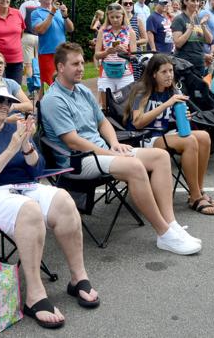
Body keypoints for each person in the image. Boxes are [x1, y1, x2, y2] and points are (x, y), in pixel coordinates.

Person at [0, 80, 98, 329]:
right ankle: (34, 294)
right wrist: (10, 149)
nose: (6, 104)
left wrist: (27, 144)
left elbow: (37, 170)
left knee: (62, 199)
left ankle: (78, 277)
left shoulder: (12, 130)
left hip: (22, 188)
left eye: (8, 100)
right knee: (28, 210)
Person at [41, 42, 202, 255]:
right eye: (75, 64)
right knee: (134, 166)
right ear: (61, 67)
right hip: (77, 160)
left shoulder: (82, 91)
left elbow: (103, 122)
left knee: (161, 157)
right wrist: (109, 152)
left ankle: (171, 223)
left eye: (82, 62)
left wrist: (114, 143)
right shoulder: (53, 99)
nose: (81, 68)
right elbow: (72, 141)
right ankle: (164, 233)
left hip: (102, 152)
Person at [126, 54, 214, 215]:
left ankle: (198, 190)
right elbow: (137, 122)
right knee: (189, 141)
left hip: (164, 133)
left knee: (204, 137)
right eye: (164, 72)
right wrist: (167, 104)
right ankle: (195, 197)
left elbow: (169, 119)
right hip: (144, 137)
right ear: (154, 74)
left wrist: (182, 116)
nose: (169, 75)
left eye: (171, 71)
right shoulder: (142, 91)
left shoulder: (171, 90)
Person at [31, 0, 73, 86]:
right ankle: (43, 102)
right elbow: (41, 30)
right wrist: (52, 12)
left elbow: (71, 29)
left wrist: (65, 16)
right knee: (48, 84)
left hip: (62, 53)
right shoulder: (36, 13)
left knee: (64, 83)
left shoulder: (59, 11)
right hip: (47, 54)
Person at [94, 3, 136, 105]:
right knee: (106, 105)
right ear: (108, 17)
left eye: (118, 17)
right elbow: (97, 55)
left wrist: (124, 52)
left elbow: (134, 56)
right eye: (112, 17)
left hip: (125, 74)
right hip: (106, 73)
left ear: (123, 16)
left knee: (125, 105)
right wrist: (107, 52)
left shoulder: (130, 32)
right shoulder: (102, 31)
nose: (115, 20)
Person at [0, 51, 33, 121]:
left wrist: (13, 106)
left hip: (11, 117)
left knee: (30, 125)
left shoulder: (10, 83)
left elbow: (29, 105)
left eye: (1, 63)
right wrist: (7, 120)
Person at [19, 0, 40, 78]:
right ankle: (41, 85)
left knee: (28, 64)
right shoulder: (41, 5)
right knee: (39, 62)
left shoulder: (24, 5)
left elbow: (20, 21)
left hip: (27, 35)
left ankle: (32, 88)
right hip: (40, 36)